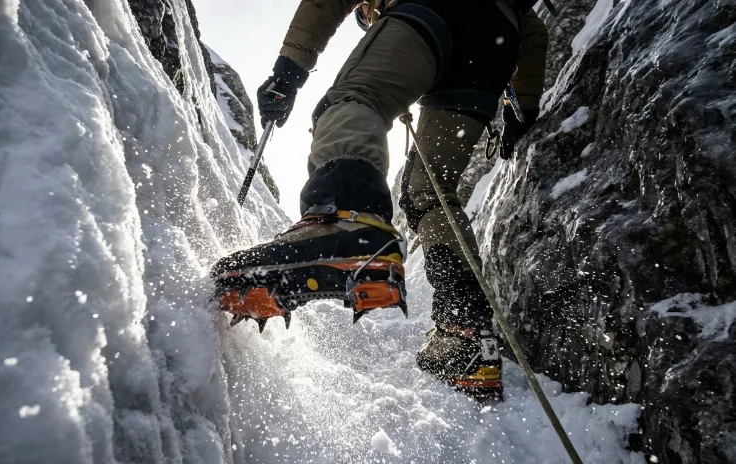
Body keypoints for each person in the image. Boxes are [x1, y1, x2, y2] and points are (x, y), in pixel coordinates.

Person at [212, 0, 548, 401]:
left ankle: (346, 217)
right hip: (493, 47)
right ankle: (467, 336)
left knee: (355, 98)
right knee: (430, 191)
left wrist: (288, 70)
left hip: (432, 13)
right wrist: (524, 109)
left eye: (367, 17)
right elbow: (535, 34)